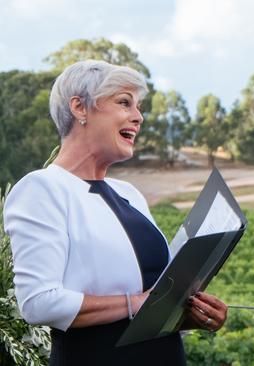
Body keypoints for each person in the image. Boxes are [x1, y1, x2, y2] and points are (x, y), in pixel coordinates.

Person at [3, 60, 227, 365]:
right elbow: (38, 303)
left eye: (138, 106)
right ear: (80, 108)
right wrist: (137, 303)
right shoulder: (42, 189)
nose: (138, 117)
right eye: (124, 103)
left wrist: (190, 316)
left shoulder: (129, 194)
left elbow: (145, 311)